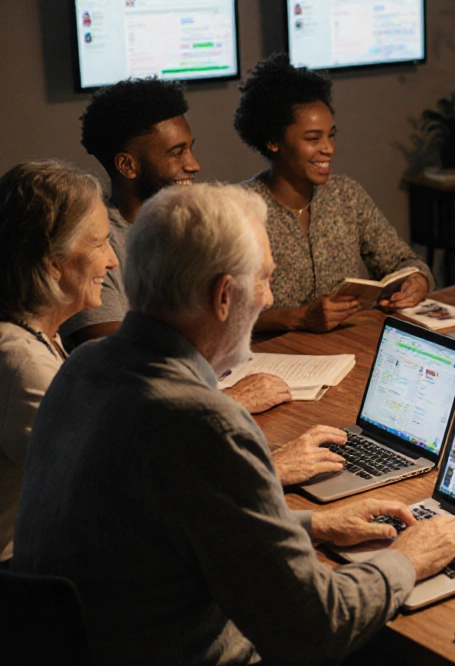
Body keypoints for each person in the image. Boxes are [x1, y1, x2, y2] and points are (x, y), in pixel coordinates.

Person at [12, 184, 455, 666]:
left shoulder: (83, 368)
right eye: (264, 279)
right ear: (223, 296)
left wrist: (313, 524)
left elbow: (165, 526)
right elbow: (314, 628)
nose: (270, 297)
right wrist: (408, 557)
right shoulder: (202, 423)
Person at [67, 76, 290, 414]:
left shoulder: (187, 231)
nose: (193, 164)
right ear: (127, 165)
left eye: (190, 147)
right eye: (176, 152)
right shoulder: (96, 245)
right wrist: (226, 402)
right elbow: (124, 365)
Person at [234, 54, 433, 333]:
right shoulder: (238, 211)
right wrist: (301, 317)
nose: (328, 148)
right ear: (272, 140)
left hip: (348, 348)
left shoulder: (346, 195)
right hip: (275, 360)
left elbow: (403, 262)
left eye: (331, 135)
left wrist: (416, 281)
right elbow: (223, 316)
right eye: (313, 139)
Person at [0, 161, 119, 562]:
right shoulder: (20, 363)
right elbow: (118, 492)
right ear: (52, 261)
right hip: (23, 587)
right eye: (99, 244)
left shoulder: (33, 337)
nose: (112, 261)